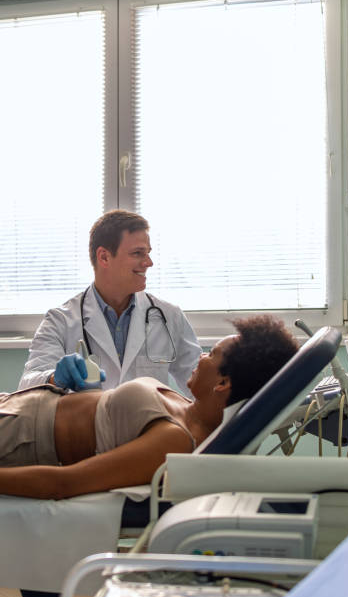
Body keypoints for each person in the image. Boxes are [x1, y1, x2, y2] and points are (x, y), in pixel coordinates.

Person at [0, 315, 298, 500]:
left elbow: (64, 484)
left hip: (19, 434)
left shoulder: (175, 439)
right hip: (19, 406)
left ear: (223, 383)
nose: (202, 356)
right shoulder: (185, 406)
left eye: (212, 354)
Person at [18, 210, 202, 397]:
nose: (149, 262)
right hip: (90, 417)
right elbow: (27, 386)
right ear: (104, 257)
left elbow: (202, 385)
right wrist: (54, 378)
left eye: (148, 253)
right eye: (138, 253)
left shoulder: (169, 316)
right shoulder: (60, 320)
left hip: (151, 417)